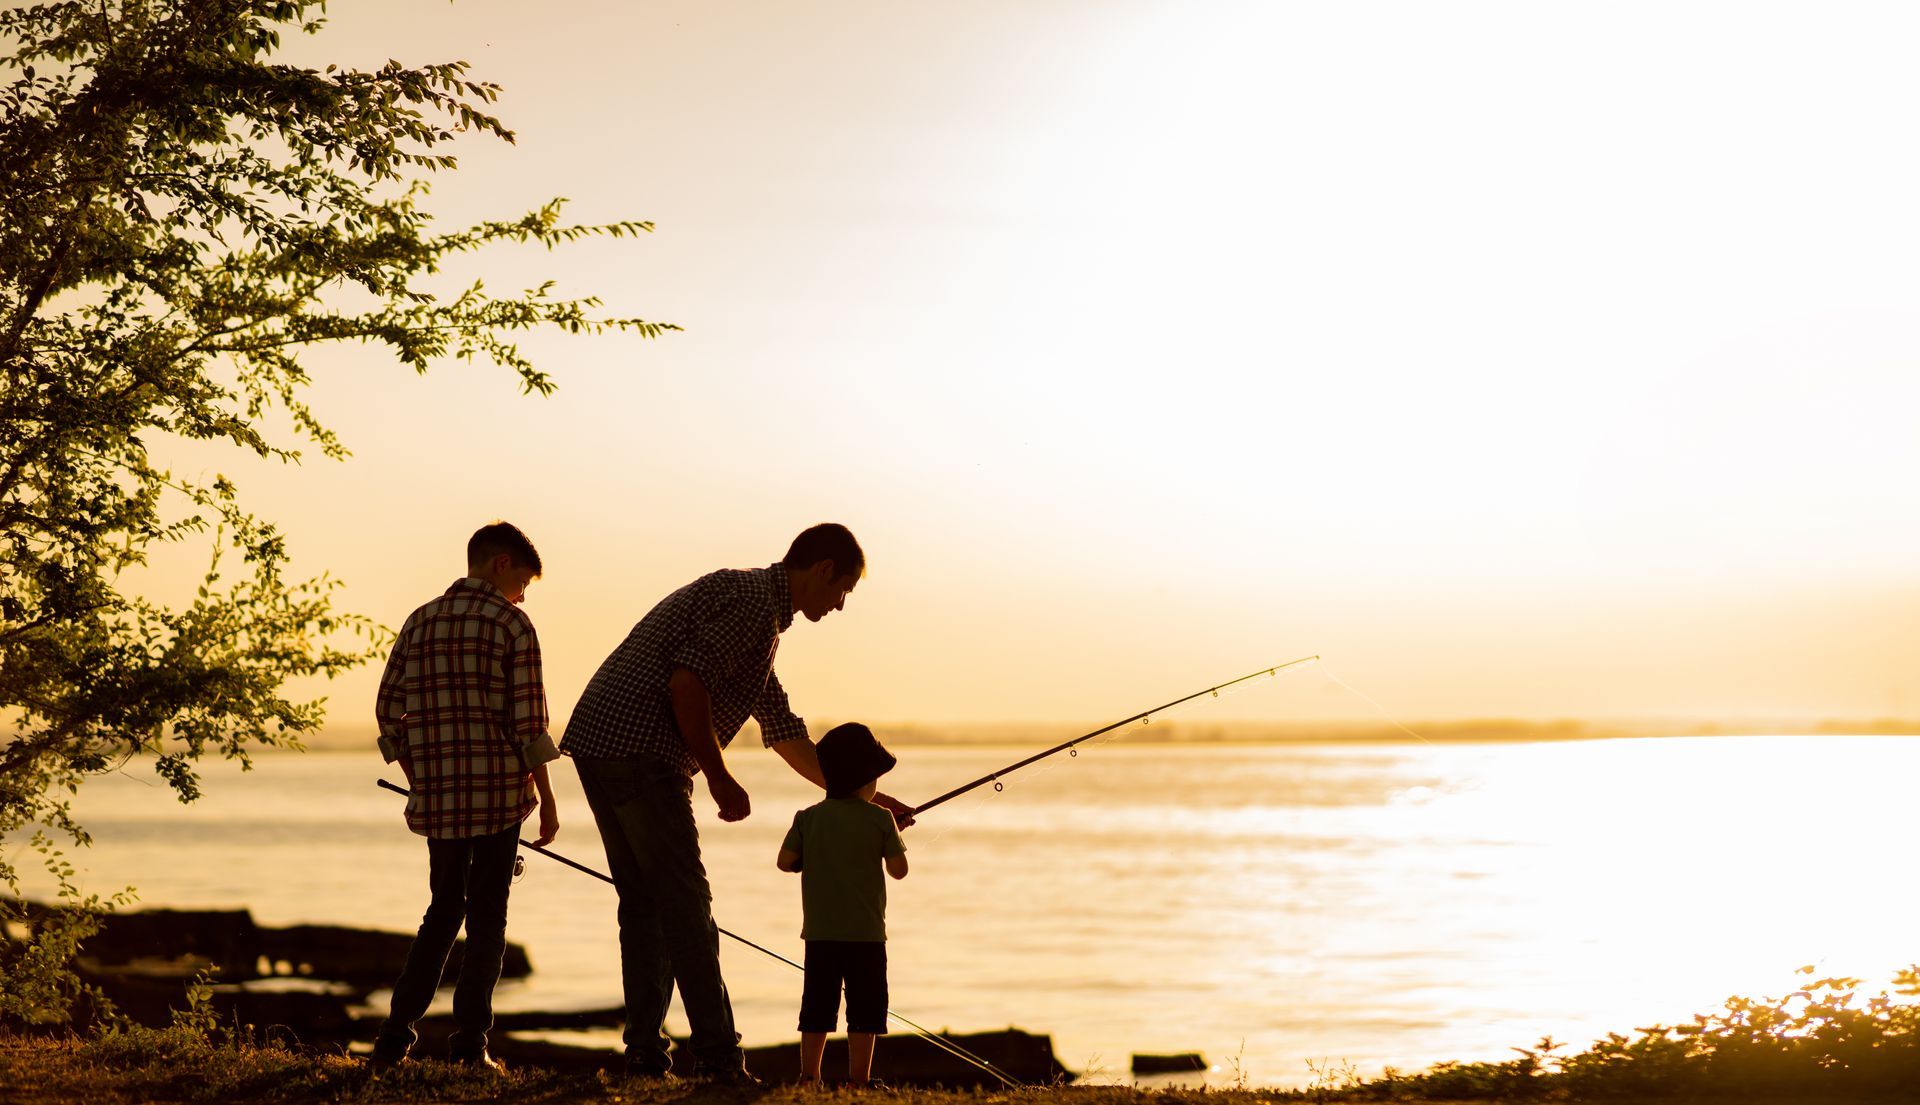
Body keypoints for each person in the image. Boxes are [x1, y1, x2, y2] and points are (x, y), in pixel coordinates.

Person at [560, 523, 914, 1082]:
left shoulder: (758, 615)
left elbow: (781, 726)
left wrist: (861, 795)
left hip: (598, 741)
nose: (841, 605)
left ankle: (646, 1056)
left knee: (646, 904)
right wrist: (720, 775)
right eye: (843, 590)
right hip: (638, 750)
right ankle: (720, 1058)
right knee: (685, 905)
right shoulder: (752, 606)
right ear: (823, 571)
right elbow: (686, 684)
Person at [369, 522, 561, 1074]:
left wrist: (422, 771)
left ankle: (392, 1040)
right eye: (522, 580)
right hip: (500, 795)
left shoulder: (419, 620)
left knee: (442, 912)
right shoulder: (512, 624)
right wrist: (546, 799)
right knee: (488, 919)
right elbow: (530, 724)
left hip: (439, 801)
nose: (523, 594)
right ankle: (471, 1045)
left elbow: (388, 714)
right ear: (501, 564)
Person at [777, 723, 909, 1088]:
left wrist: (810, 855)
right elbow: (899, 871)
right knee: (866, 1011)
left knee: (817, 1007)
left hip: (820, 935)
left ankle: (809, 1076)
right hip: (866, 936)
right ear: (868, 778)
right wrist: (891, 836)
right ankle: (859, 1079)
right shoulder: (881, 819)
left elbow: (785, 862)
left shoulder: (808, 818)